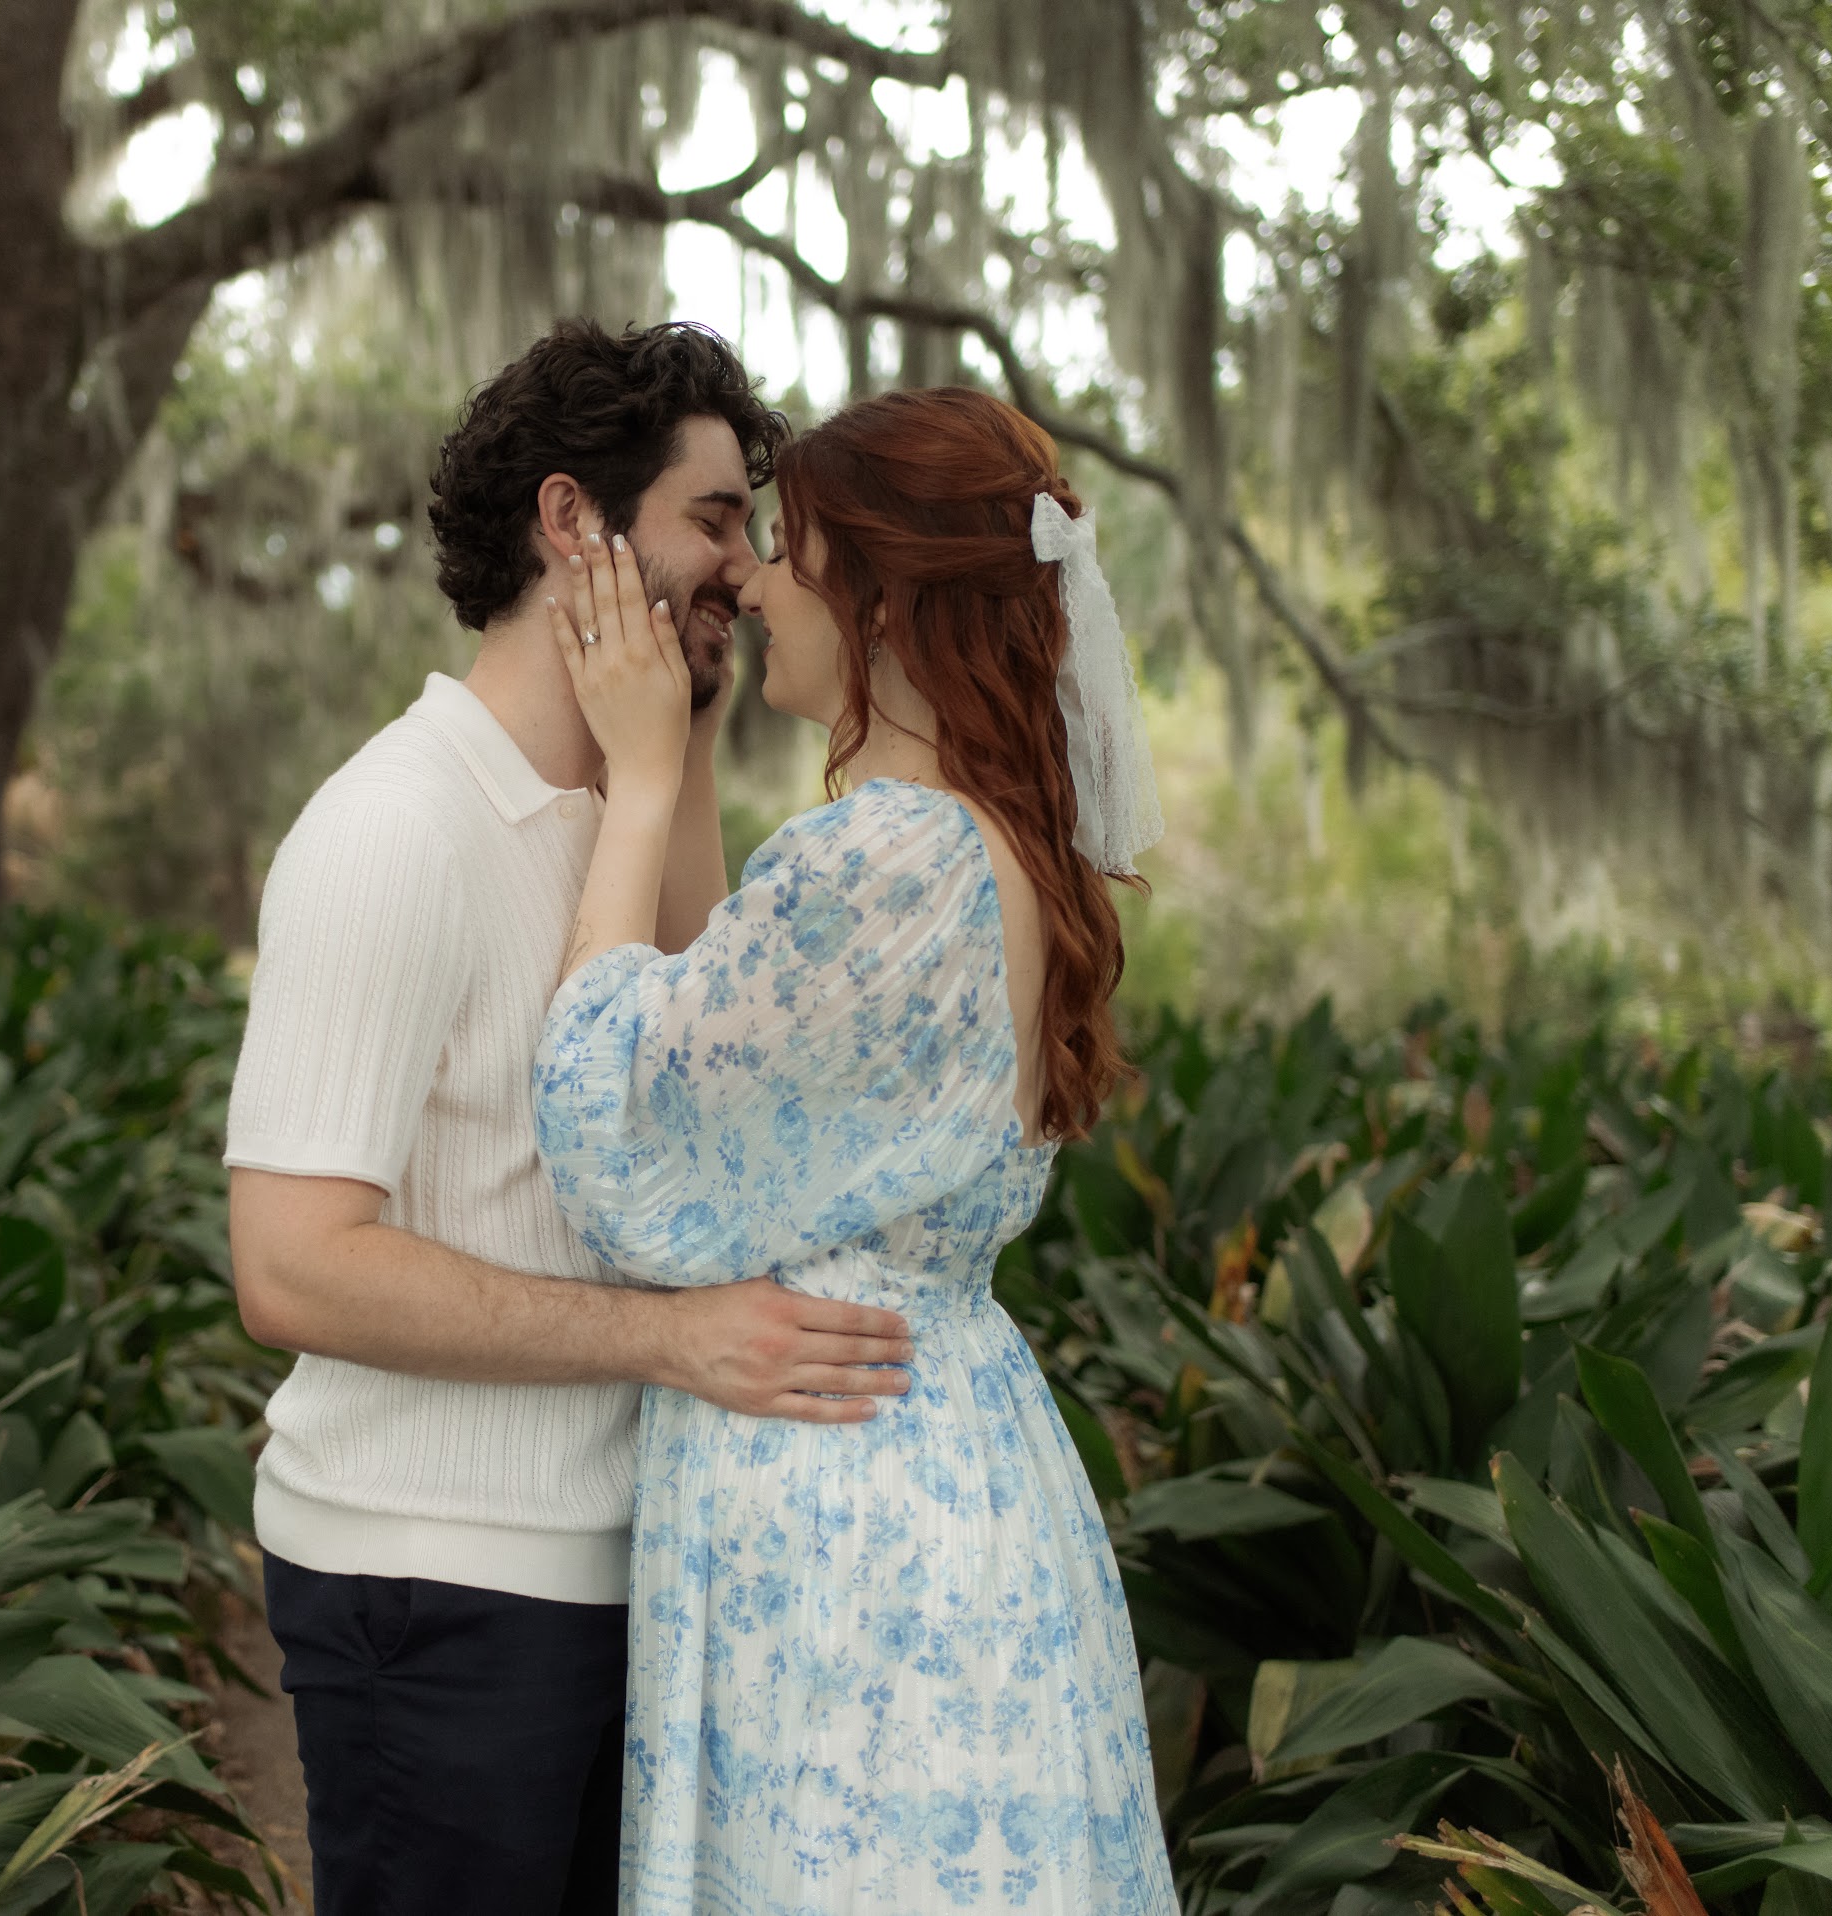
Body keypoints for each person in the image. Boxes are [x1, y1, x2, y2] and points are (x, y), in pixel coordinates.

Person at [223, 320, 921, 1916]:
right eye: (718, 519)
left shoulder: (622, 819)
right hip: (437, 1583)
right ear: (570, 526)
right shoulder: (392, 831)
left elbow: (715, 1135)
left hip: (632, 1572)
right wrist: (668, 1341)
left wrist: (665, 773)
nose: (746, 570)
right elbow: (293, 1270)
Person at [532, 386, 1183, 1914]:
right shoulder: (985, 841)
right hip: (939, 1449)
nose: (749, 577)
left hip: (849, 1522)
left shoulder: (885, 855)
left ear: (882, 598)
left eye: (791, 548)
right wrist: (681, 755)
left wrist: (632, 777)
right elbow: (734, 1037)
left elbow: (618, 1121)